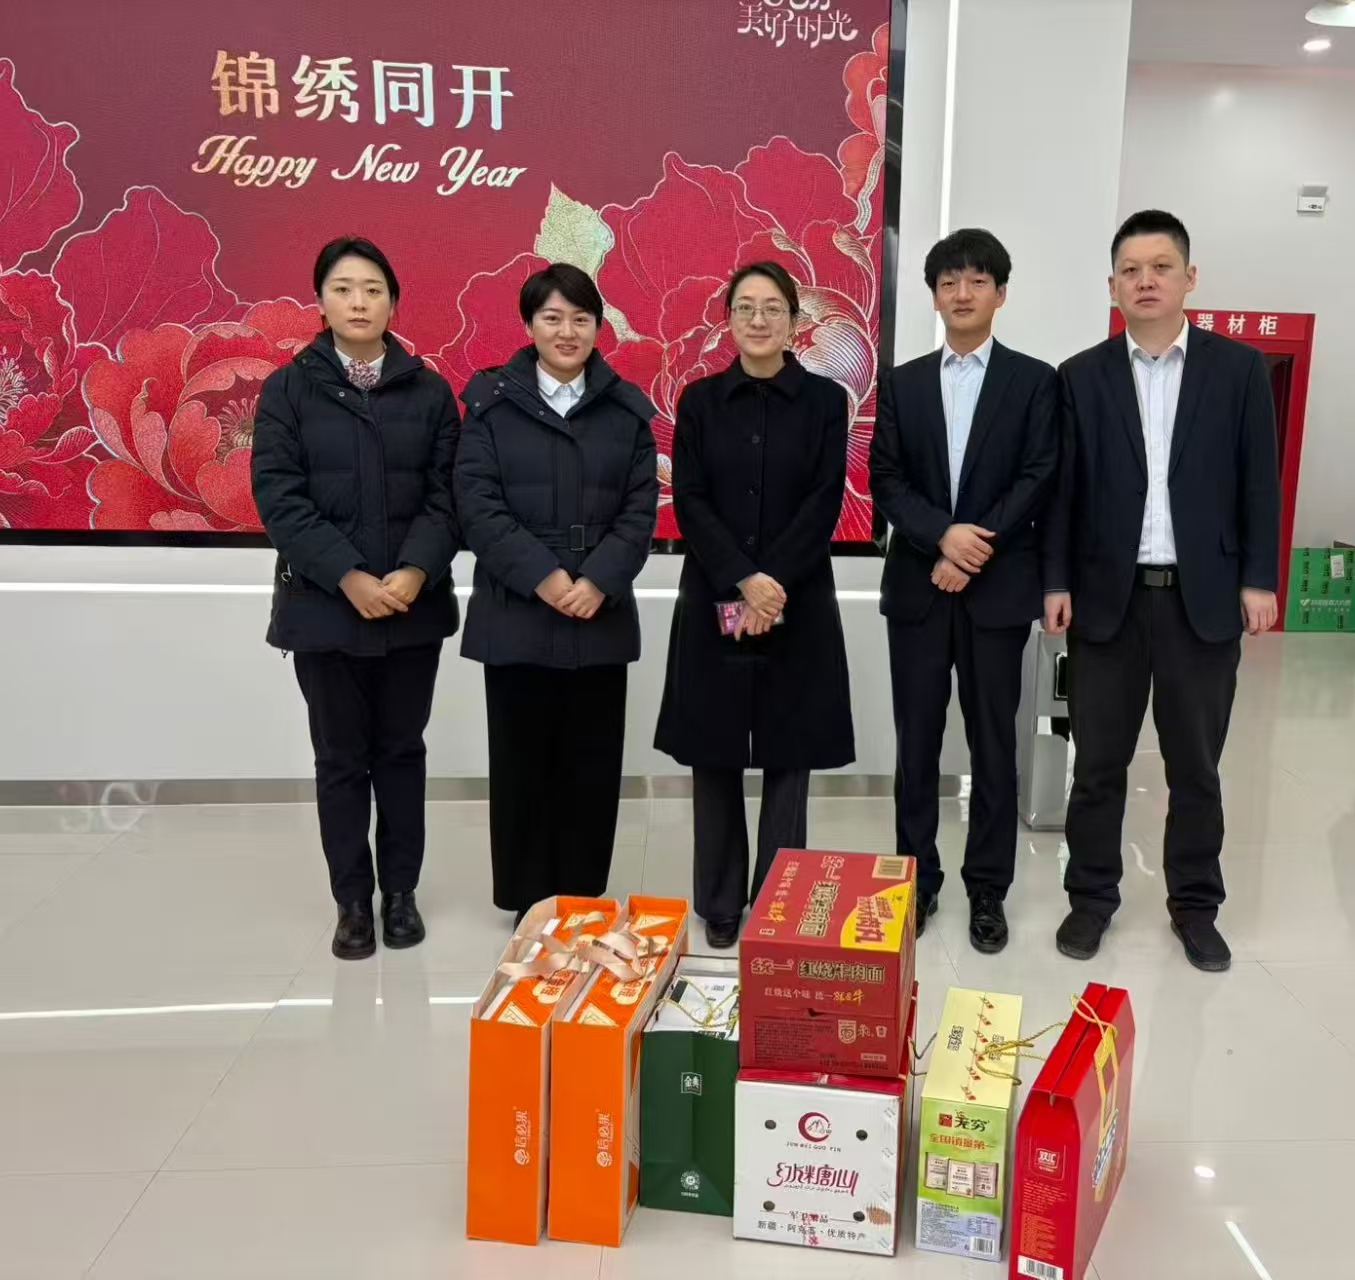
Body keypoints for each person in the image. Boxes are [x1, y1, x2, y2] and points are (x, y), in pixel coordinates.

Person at [1043, 209, 1280, 972]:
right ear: (1111, 285)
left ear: (1188, 277)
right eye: (1130, 270)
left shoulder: (1236, 369)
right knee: (1096, 765)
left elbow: (1258, 482)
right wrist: (1055, 580)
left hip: (1200, 602)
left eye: (1160, 267)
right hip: (1105, 602)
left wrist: (1259, 578)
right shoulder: (1080, 376)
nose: (1145, 281)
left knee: (1195, 769)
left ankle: (1195, 907)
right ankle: (1090, 899)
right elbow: (1063, 493)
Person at [252, 237, 461, 960]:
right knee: (340, 759)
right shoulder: (287, 390)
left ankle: (400, 894)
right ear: (321, 302)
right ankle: (351, 902)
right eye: (343, 288)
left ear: (393, 302)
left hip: (411, 607)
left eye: (373, 289)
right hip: (324, 609)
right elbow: (280, 499)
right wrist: (347, 575)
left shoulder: (429, 391)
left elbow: (447, 495)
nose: (359, 301)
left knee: (401, 752)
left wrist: (415, 572)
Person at [655, 262, 854, 951]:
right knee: (713, 751)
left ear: (794, 322)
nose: (759, 319)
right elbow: (691, 500)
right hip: (716, 590)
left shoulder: (825, 401)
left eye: (773, 308)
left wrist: (772, 585)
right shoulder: (700, 401)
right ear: (729, 320)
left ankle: (778, 897)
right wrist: (744, 579)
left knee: (788, 754)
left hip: (797, 598)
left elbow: (824, 499)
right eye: (746, 307)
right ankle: (717, 899)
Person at [870, 229, 1058, 955]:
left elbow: (1038, 474)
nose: (962, 293)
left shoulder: (1034, 381)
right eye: (949, 282)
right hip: (918, 590)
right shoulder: (904, 381)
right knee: (915, 744)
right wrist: (941, 538)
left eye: (977, 280)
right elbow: (886, 479)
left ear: (1000, 294)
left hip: (996, 593)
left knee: (992, 745)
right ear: (933, 296)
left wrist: (973, 549)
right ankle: (915, 880)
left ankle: (988, 889)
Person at [455, 263, 658, 924]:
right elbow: (477, 502)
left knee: (591, 765)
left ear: (598, 327)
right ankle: (526, 898)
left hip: (599, 610)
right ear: (529, 324)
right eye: (552, 317)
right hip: (517, 609)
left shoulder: (626, 410)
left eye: (580, 318)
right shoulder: (490, 403)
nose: (567, 331)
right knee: (521, 762)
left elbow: (639, 510)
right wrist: (543, 575)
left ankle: (582, 895)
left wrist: (598, 579)